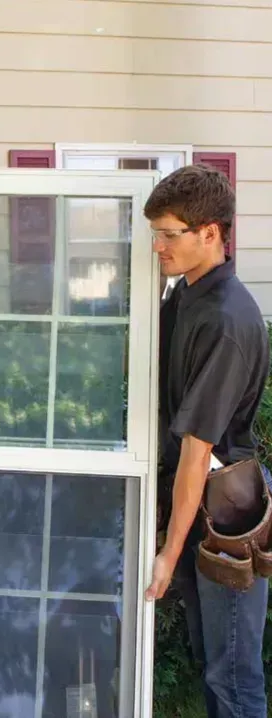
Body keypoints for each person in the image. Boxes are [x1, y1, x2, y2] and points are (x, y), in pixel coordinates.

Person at [143, 164, 270, 717]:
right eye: (156, 234)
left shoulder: (225, 320)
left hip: (225, 511)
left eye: (170, 235)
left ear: (211, 233)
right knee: (210, 658)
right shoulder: (187, 295)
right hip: (201, 502)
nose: (157, 247)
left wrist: (168, 556)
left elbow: (197, 454)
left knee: (233, 674)